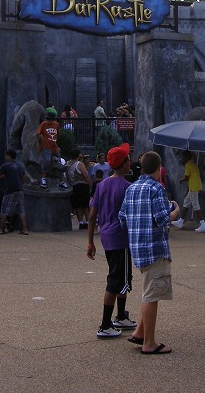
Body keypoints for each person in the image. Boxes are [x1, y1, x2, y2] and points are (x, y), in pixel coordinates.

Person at [119, 151, 180, 354]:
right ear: (159, 167)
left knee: (148, 289)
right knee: (151, 295)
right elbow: (162, 219)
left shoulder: (132, 188)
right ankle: (149, 343)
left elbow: (122, 217)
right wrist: (175, 212)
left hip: (138, 247)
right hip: (155, 247)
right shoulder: (156, 188)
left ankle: (139, 332)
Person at [87, 142, 137, 339]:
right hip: (121, 237)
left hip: (107, 237)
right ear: (123, 164)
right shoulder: (128, 187)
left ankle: (120, 316)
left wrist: (90, 241)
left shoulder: (102, 185)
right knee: (116, 279)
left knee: (121, 277)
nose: (130, 163)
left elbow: (92, 216)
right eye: (128, 160)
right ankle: (105, 324)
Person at [0, 149, 29, 235]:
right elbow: (24, 178)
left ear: (9, 155)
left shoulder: (6, 166)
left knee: (4, 209)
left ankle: (0, 229)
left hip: (10, 190)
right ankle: (25, 229)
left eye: (6, 155)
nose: (5, 157)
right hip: (20, 190)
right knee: (21, 210)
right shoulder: (20, 166)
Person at [170, 151, 205, 233]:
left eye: (183, 157)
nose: (182, 158)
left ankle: (203, 224)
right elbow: (192, 178)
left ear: (186, 157)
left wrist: (181, 180)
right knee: (186, 202)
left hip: (193, 187)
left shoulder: (188, 165)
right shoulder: (193, 164)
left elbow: (187, 177)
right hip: (194, 186)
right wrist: (188, 190)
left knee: (195, 204)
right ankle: (181, 221)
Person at [36, 107, 68, 189]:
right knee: (46, 161)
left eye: (50, 119)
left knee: (59, 163)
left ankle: (61, 181)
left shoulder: (56, 124)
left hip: (54, 147)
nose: (48, 120)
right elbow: (38, 134)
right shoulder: (43, 124)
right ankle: (43, 178)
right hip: (46, 147)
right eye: (47, 119)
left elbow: (58, 135)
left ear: (53, 119)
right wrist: (40, 145)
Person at [67, 148, 92, 229]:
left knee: (77, 206)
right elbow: (86, 176)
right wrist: (90, 184)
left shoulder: (67, 164)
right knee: (85, 206)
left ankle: (81, 222)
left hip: (73, 186)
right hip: (82, 185)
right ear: (78, 155)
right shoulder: (79, 164)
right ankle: (88, 222)